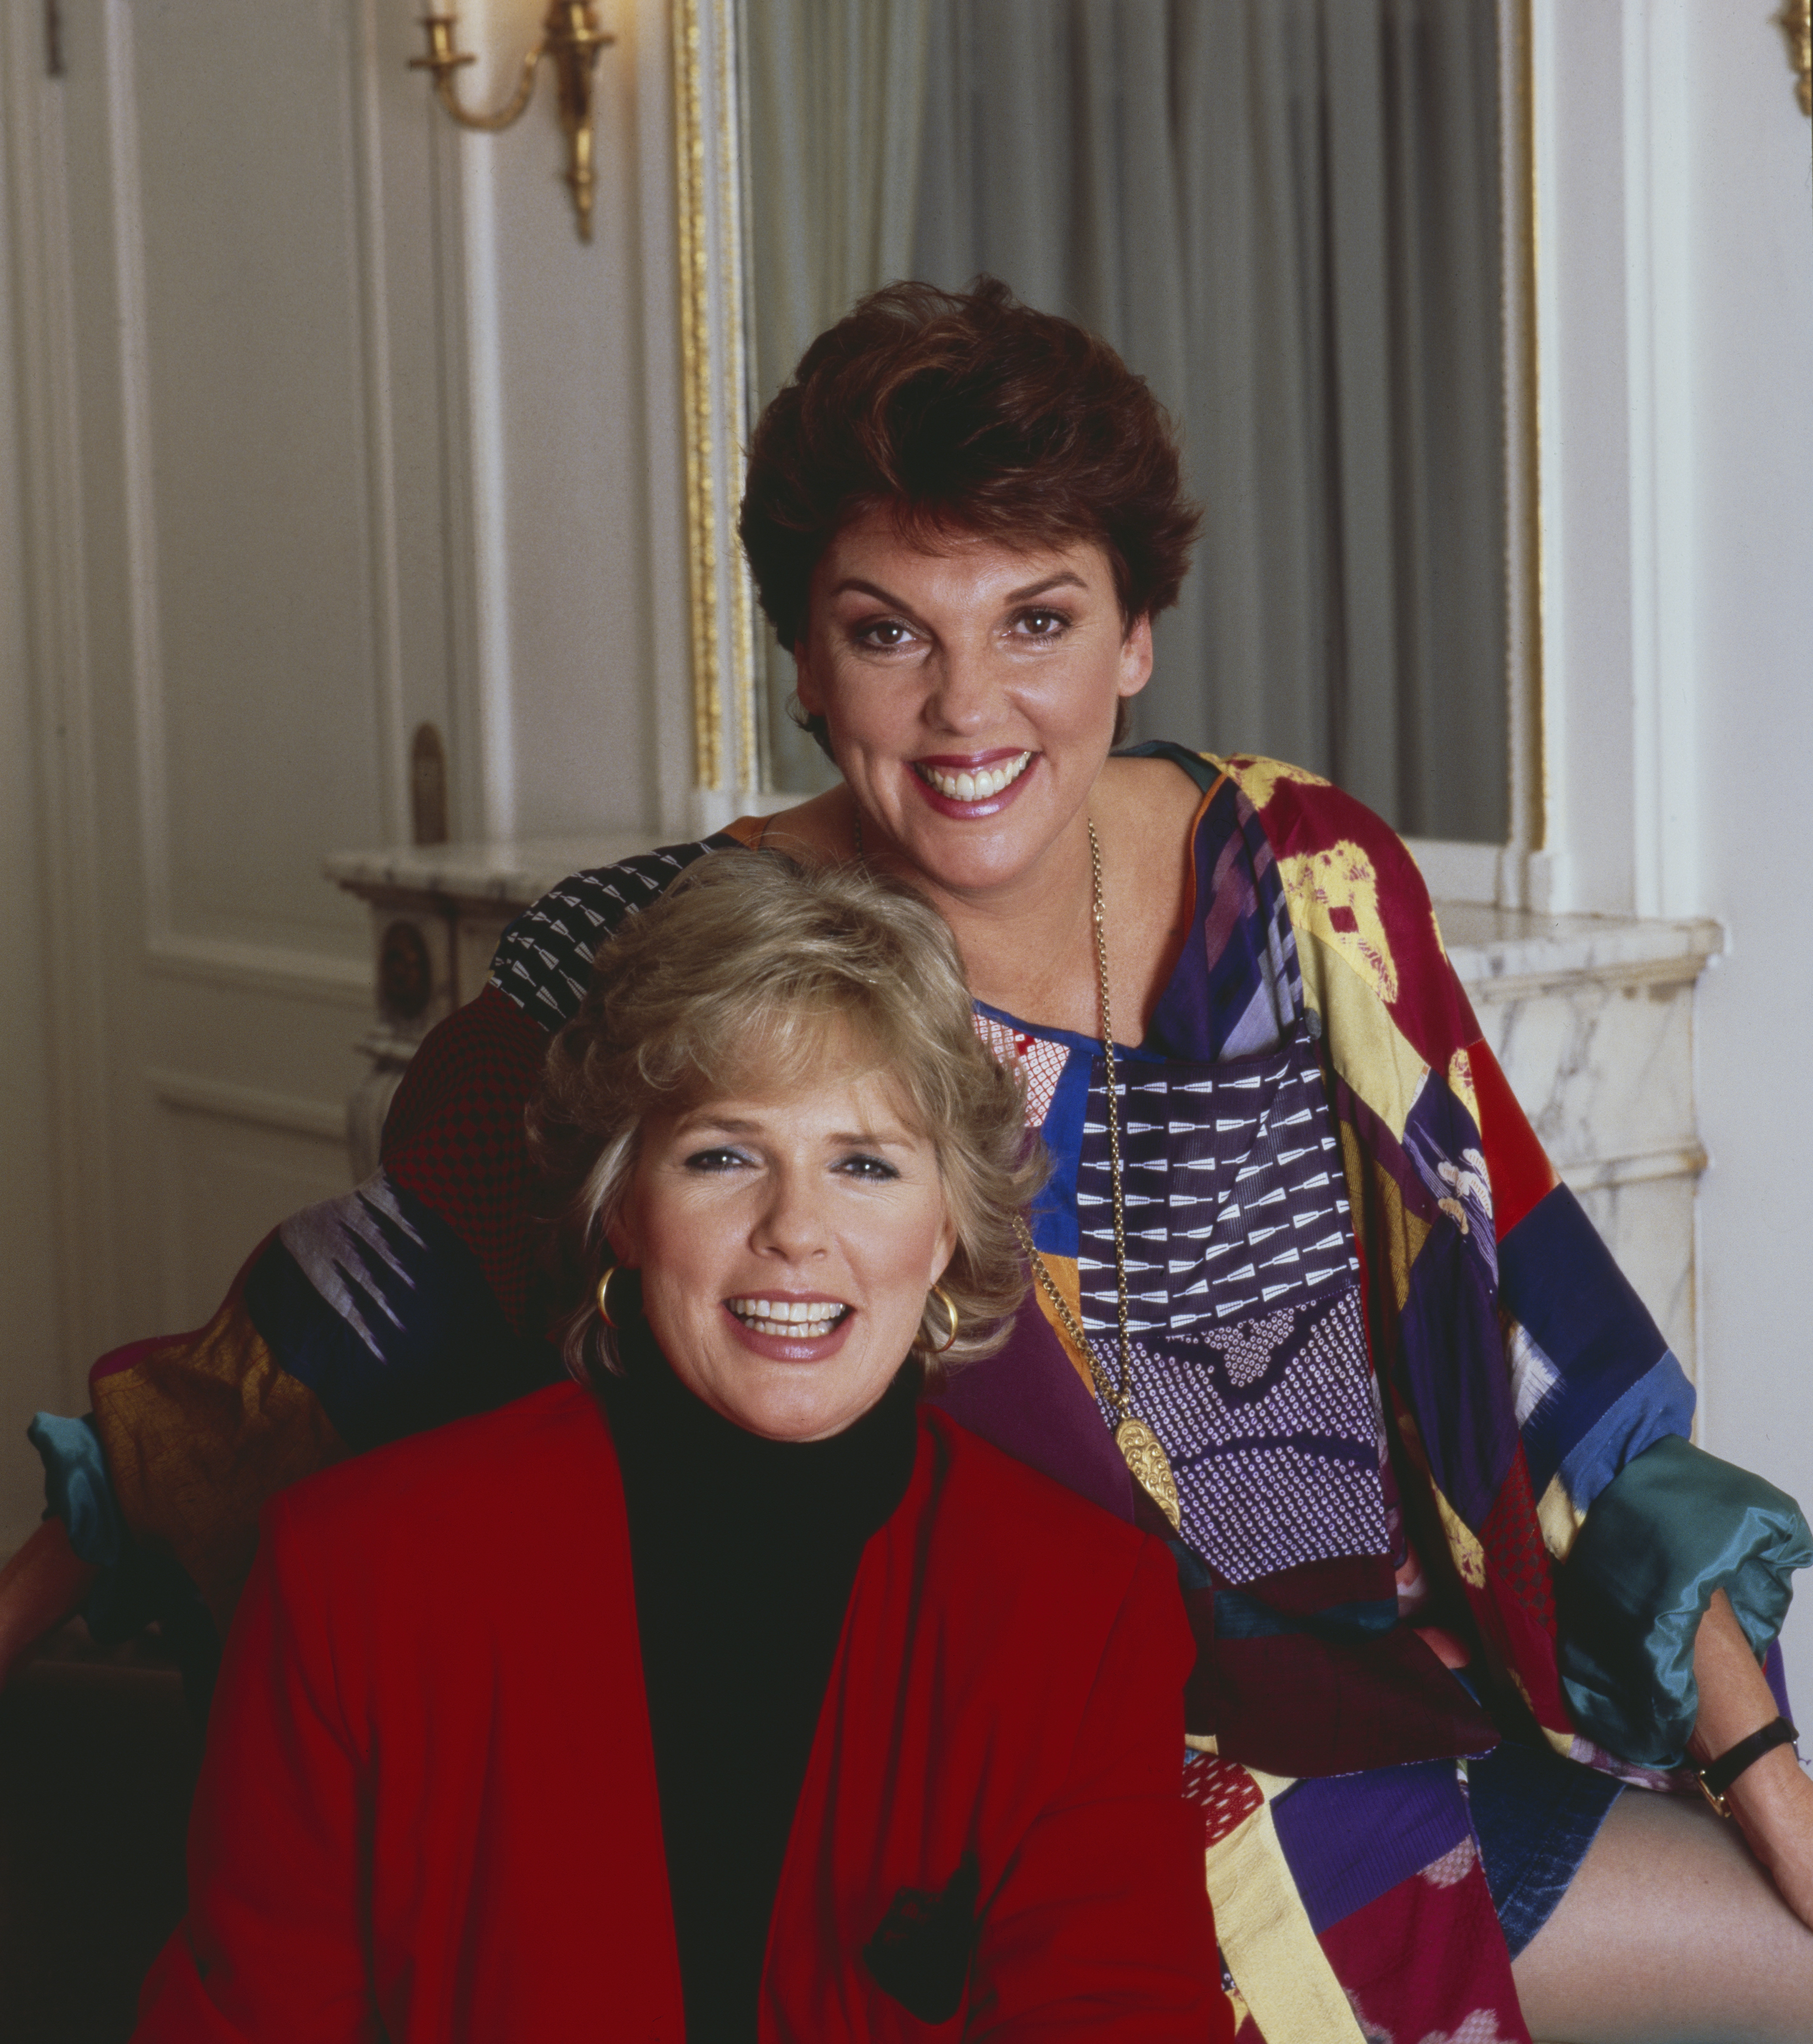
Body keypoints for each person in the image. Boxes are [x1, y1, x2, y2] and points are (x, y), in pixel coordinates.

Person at [11, 275, 1813, 2041]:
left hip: (1404, 1706)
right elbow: (336, 1330)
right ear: (802, 654)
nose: (969, 708)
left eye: (1036, 620)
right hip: (1043, 1788)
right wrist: (62, 1564)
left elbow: (1547, 1350)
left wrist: (1757, 1770)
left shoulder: (1305, 881)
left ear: (1135, 635)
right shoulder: (671, 942)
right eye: (889, 632)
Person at [131, 850, 1225, 2042]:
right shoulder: (354, 1575)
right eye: (722, 1154)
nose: (795, 1231)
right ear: (622, 1204)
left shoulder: (1079, 1611)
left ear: (948, 1221)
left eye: (863, 1162)